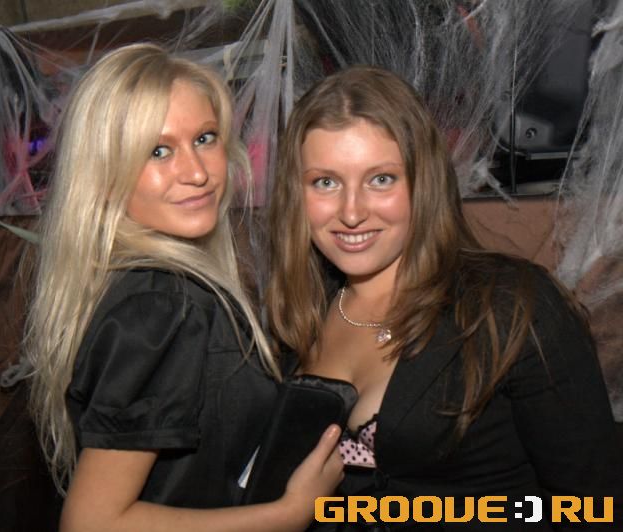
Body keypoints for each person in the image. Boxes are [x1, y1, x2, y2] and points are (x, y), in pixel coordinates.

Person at [266, 65, 623, 530]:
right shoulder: (296, 317)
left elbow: (597, 506)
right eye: (326, 182)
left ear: (424, 182)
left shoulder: (510, 306)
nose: (351, 212)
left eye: (381, 179)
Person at [25, 43, 343, 532]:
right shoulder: (164, 305)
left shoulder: (139, 287)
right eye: (158, 151)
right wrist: (288, 514)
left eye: (205, 138)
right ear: (105, 174)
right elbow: (91, 523)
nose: (197, 173)